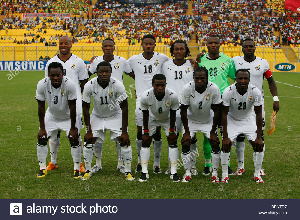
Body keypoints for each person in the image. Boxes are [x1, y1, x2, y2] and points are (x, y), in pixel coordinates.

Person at [232, 38, 279, 176]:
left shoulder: (263, 63)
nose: (248, 48)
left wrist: (275, 98)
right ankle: (240, 167)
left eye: (251, 46)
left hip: (257, 104)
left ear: (255, 48)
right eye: (246, 46)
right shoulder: (235, 61)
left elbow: (271, 81)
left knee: (259, 135)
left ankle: (259, 167)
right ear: (242, 48)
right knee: (240, 135)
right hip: (240, 104)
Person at [81, 61, 134, 181]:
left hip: (115, 115)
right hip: (97, 116)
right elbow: (85, 108)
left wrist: (124, 131)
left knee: (124, 141)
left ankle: (126, 169)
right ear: (97, 73)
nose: (104, 74)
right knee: (89, 141)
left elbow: (124, 108)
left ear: (111, 72)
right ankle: (92, 168)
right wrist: (88, 130)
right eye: (101, 71)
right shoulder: (90, 85)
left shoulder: (118, 85)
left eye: (107, 71)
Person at [45, 36, 89, 174]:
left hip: (73, 104)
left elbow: (84, 82)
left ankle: (79, 163)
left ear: (71, 44)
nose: (63, 45)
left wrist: (78, 96)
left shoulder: (78, 62)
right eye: (61, 43)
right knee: (52, 134)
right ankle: (53, 161)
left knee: (75, 135)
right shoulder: (51, 62)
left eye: (66, 43)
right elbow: (48, 83)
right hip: (55, 103)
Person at [88, 38, 132, 173]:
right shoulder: (96, 61)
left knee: (120, 138)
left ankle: (120, 164)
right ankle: (97, 164)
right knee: (97, 138)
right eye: (105, 46)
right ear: (102, 48)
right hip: (100, 103)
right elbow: (86, 76)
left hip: (117, 102)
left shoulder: (122, 61)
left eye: (110, 46)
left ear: (114, 47)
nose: (108, 48)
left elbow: (135, 75)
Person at [128, 34, 170, 174]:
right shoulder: (133, 60)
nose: (148, 46)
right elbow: (126, 70)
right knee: (141, 133)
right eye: (146, 43)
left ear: (154, 45)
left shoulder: (162, 58)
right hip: (141, 101)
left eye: (151, 44)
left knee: (157, 132)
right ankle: (140, 162)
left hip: (158, 100)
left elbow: (173, 65)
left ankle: (156, 163)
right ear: (142, 44)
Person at [196, 34, 236, 176]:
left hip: (224, 103)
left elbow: (235, 78)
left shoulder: (228, 61)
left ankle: (227, 164)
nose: (213, 45)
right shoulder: (200, 61)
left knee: (226, 133)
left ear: (220, 44)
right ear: (206, 45)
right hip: (207, 102)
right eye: (210, 43)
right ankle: (208, 164)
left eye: (216, 43)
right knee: (208, 134)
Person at [36, 62, 81, 179]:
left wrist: (73, 128)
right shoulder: (42, 84)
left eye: (58, 75)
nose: (55, 78)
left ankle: (77, 168)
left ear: (63, 74)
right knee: (41, 138)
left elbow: (72, 107)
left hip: (68, 117)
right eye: (53, 75)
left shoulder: (70, 84)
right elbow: (41, 107)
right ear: (48, 75)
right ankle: (42, 168)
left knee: (74, 138)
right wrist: (42, 128)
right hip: (52, 115)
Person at [221, 69, 264, 183]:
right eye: (240, 78)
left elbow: (259, 114)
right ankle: (225, 174)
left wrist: (259, 137)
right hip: (232, 120)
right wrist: (225, 136)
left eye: (246, 78)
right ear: (235, 79)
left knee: (259, 145)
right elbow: (224, 114)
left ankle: (257, 173)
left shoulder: (255, 91)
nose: (243, 81)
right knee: (225, 145)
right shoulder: (228, 91)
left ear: (249, 80)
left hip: (248, 119)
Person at [180, 66, 222, 182]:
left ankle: (214, 173)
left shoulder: (214, 88)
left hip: (208, 120)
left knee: (215, 143)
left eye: (202, 78)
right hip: (191, 120)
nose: (199, 81)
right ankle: (187, 172)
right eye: (197, 78)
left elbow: (217, 110)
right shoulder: (187, 88)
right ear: (193, 78)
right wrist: (187, 132)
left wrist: (213, 131)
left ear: (207, 78)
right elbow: (183, 110)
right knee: (185, 143)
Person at [161, 39, 195, 174]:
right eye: (176, 49)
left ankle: (191, 166)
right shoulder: (165, 65)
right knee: (172, 138)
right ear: (172, 51)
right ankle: (172, 166)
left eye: (182, 49)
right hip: (171, 109)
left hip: (189, 108)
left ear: (186, 51)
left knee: (191, 138)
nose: (179, 51)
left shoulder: (192, 64)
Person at [139, 74, 180, 182]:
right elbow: (145, 113)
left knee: (172, 141)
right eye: (157, 85)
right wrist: (146, 132)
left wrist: (171, 131)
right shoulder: (146, 96)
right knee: (146, 142)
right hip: (152, 119)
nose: (160, 88)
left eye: (162, 85)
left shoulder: (172, 95)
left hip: (167, 119)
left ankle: (174, 172)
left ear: (165, 85)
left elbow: (173, 112)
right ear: (153, 85)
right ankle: (144, 172)